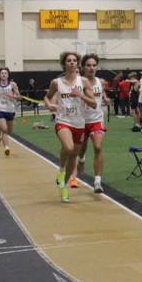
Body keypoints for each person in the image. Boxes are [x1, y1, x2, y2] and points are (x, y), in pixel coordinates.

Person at [44, 52, 98, 202]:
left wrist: (80, 95)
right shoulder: (56, 82)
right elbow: (47, 97)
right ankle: (61, 170)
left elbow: (94, 104)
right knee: (68, 148)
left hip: (79, 123)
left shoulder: (83, 82)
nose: (72, 63)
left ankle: (63, 187)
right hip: (63, 120)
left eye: (74, 60)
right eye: (69, 60)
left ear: (77, 63)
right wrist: (49, 105)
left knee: (74, 156)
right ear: (64, 64)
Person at [72, 54, 110, 193]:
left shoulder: (101, 82)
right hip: (81, 121)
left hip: (96, 120)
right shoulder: (77, 83)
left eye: (94, 65)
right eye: (88, 65)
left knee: (98, 147)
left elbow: (102, 93)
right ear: (83, 67)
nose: (92, 68)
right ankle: (81, 159)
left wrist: (105, 99)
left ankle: (97, 182)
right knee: (81, 149)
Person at [0, 67, 21, 156]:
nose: (3, 75)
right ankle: (6, 148)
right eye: (2, 73)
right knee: (4, 129)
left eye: (5, 73)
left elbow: (19, 97)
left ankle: (5, 141)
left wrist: (11, 95)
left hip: (10, 110)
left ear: (8, 75)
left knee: (9, 131)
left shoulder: (12, 85)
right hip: (0, 109)